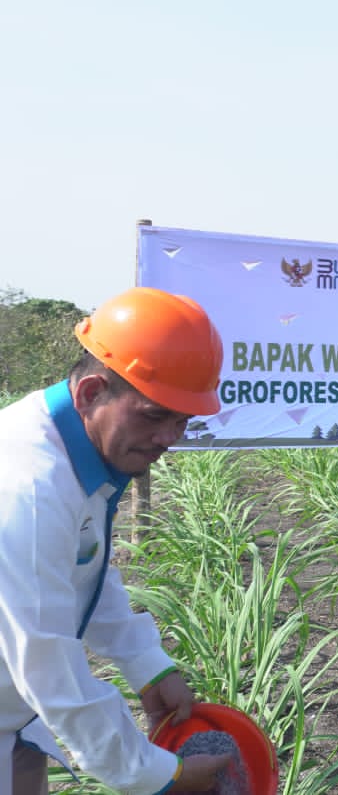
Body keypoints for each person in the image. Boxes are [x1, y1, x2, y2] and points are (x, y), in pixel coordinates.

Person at [0, 287, 232, 794]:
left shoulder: (76, 444)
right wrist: (157, 776)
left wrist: (147, 667)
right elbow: (48, 663)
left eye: (182, 421)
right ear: (90, 393)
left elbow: (84, 567)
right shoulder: (30, 488)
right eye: (154, 415)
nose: (168, 438)